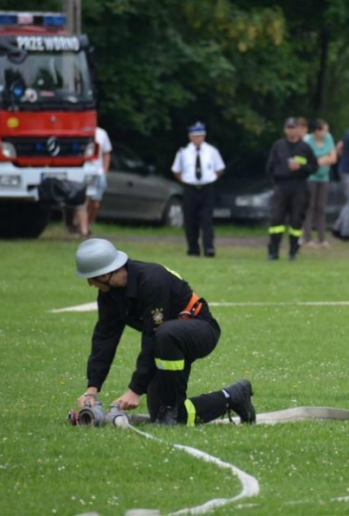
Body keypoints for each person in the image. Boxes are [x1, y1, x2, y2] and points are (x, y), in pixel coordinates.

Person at [74, 238, 256, 425]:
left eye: (92, 278)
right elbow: (105, 337)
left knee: (166, 333)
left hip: (200, 330)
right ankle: (232, 396)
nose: (90, 284)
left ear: (105, 274)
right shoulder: (109, 294)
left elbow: (152, 337)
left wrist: (135, 389)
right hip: (167, 343)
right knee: (165, 417)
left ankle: (170, 409)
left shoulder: (152, 280)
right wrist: (92, 388)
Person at [265, 117, 318, 260]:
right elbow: (270, 166)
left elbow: (314, 167)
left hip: (299, 186)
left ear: (298, 129)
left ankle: (293, 252)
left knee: (296, 220)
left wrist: (301, 167)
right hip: (281, 186)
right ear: (285, 129)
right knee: (276, 219)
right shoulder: (279, 146)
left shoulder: (305, 148)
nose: (291, 131)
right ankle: (273, 252)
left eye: (293, 128)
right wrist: (276, 181)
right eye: (288, 128)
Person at [172, 122, 225, 258]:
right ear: (190, 137)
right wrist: (186, 181)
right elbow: (176, 170)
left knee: (207, 219)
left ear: (204, 136)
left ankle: (209, 248)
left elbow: (219, 168)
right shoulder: (183, 152)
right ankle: (193, 249)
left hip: (207, 188)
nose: (198, 139)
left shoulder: (211, 151)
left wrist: (211, 179)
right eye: (195, 136)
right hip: (190, 188)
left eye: (200, 136)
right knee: (190, 219)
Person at [302, 119, 337, 248]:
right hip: (311, 177)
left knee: (321, 208)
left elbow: (333, 158)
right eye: (323, 130)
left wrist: (319, 161)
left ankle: (322, 238)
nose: (325, 132)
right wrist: (321, 160)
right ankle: (308, 238)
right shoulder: (308, 140)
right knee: (309, 207)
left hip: (324, 178)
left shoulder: (328, 138)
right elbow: (307, 160)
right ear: (316, 131)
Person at [86, 126, 112, 228]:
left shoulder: (101, 133)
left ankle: (89, 224)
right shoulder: (80, 131)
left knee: (95, 203)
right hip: (85, 171)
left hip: (98, 172)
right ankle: (82, 227)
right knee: (84, 202)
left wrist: (104, 171)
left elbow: (106, 153)